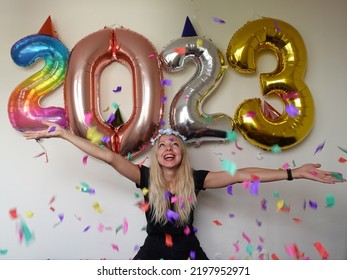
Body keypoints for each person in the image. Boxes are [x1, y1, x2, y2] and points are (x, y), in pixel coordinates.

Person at [23, 121, 345, 259]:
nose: (168, 147)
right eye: (162, 144)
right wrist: (63, 134)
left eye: (173, 143)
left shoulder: (198, 179)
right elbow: (108, 156)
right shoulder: (145, 176)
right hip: (152, 251)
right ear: (156, 154)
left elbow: (241, 174)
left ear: (181, 152)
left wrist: (293, 173)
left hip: (189, 251)